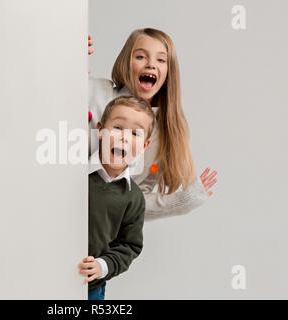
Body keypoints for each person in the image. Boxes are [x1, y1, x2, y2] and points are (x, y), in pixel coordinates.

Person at [87, 29, 217, 221]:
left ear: (168, 72)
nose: (150, 64)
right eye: (140, 56)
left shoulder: (161, 135)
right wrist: (69, 58)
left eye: (161, 60)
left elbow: (134, 201)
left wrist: (182, 201)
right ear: (126, 62)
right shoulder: (97, 91)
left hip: (98, 234)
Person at [78, 95, 155, 300]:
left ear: (145, 146)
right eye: (118, 128)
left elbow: (129, 245)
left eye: (135, 133)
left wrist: (103, 266)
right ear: (101, 130)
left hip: (91, 286)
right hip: (49, 275)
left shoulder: (134, 198)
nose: (125, 138)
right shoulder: (74, 173)